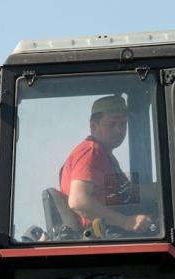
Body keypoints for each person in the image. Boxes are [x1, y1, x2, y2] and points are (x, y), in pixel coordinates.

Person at [59, 94, 153, 234]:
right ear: (93, 127)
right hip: (102, 234)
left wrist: (164, 191)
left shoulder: (106, 157)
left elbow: (127, 194)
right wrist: (126, 222)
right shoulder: (91, 152)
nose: (119, 130)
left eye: (123, 124)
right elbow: (78, 200)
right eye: (111, 124)